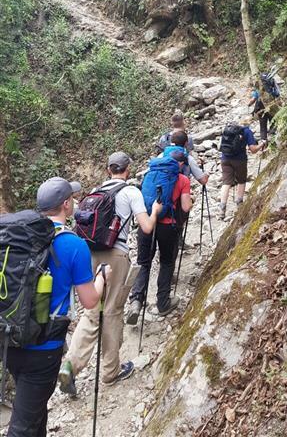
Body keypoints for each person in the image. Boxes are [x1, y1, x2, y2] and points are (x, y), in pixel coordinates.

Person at [6, 176, 111, 437]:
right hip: (44, 348)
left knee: (34, 411)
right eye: (72, 199)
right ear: (66, 204)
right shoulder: (73, 244)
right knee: (23, 426)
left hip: (9, 339)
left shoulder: (16, 239)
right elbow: (90, 301)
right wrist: (100, 279)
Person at [59, 152, 162, 396]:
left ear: (108, 170)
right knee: (113, 311)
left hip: (91, 255)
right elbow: (146, 228)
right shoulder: (130, 192)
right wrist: (155, 211)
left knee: (92, 312)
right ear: (127, 170)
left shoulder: (96, 191)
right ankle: (110, 371)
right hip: (116, 255)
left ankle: (70, 366)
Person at [127, 149, 193, 325]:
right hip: (167, 226)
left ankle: (136, 300)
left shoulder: (151, 175)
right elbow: (186, 207)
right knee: (166, 262)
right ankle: (163, 302)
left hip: (146, 222)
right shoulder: (182, 179)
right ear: (178, 165)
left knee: (143, 262)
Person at [219, 122, 265, 220]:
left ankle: (222, 209)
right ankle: (239, 204)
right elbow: (253, 149)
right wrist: (262, 144)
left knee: (226, 183)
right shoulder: (247, 131)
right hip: (240, 160)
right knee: (241, 180)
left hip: (225, 158)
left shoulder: (227, 129)